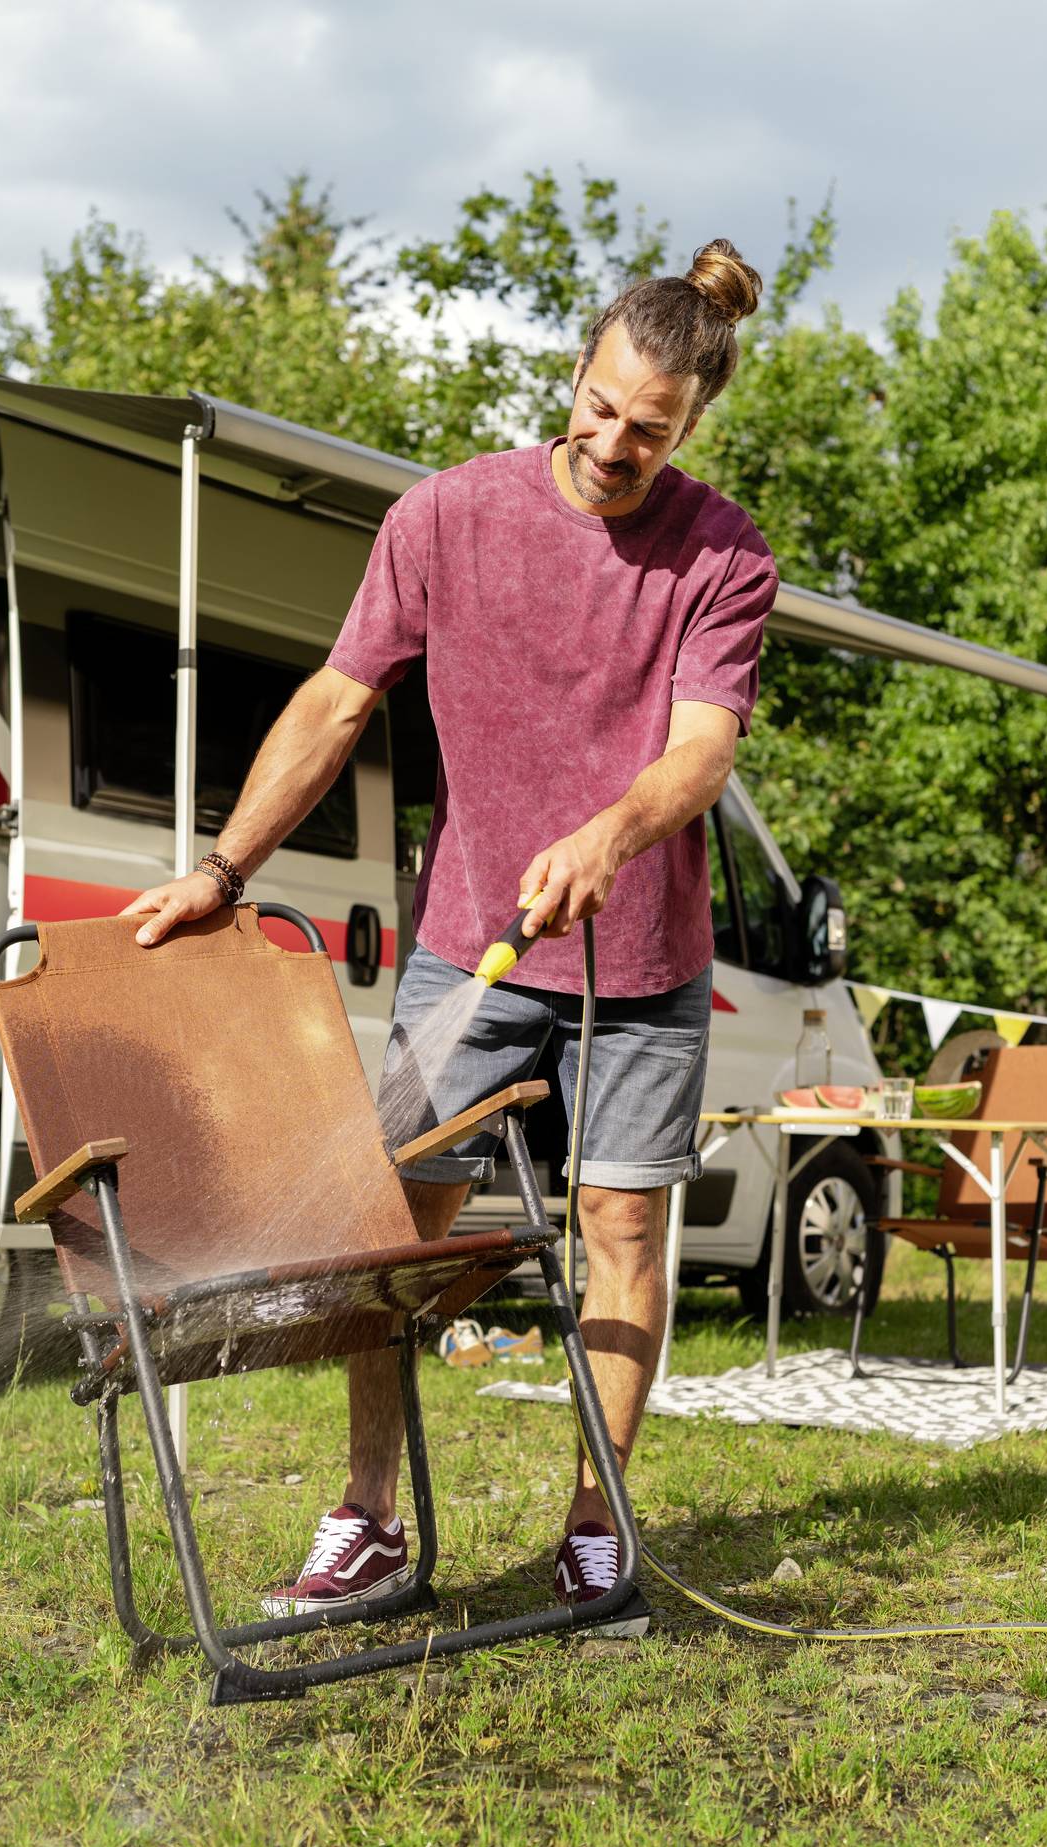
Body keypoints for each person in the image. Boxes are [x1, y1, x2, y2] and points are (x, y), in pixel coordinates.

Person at [119, 239, 779, 1637]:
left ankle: (596, 1527)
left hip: (641, 969)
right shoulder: (445, 518)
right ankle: (366, 1519)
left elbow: (703, 751)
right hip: (465, 945)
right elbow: (339, 700)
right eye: (597, 405)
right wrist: (225, 868)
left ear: (691, 426)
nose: (610, 442)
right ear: (578, 372)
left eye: (646, 430)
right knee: (389, 1234)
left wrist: (608, 836)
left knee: (617, 1230)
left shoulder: (724, 554)